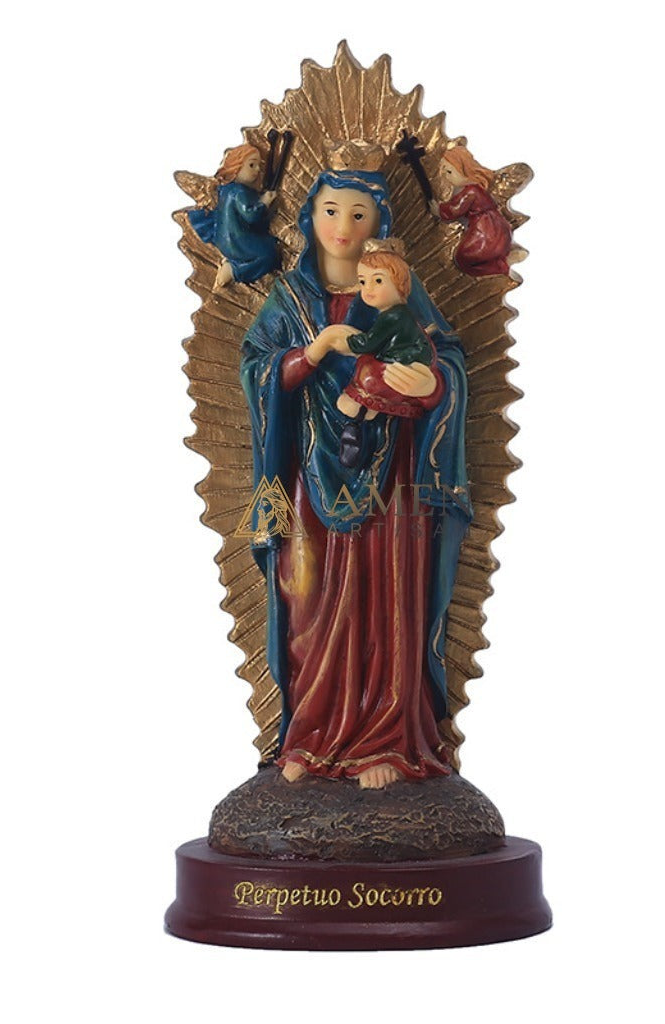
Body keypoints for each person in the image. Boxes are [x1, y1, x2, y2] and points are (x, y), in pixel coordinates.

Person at [240, 155, 473, 789]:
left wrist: (432, 385)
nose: (343, 227)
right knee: (306, 597)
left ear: (380, 224)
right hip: (309, 469)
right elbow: (256, 370)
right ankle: (308, 734)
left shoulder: (400, 296)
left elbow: (447, 362)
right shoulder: (291, 301)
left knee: (385, 597)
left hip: (391, 475)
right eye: (330, 210)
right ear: (308, 216)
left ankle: (387, 742)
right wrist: (313, 351)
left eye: (359, 213)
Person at [327, 238, 438, 469]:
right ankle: (361, 416)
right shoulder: (395, 314)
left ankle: (360, 413)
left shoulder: (393, 315)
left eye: (377, 281)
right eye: (362, 281)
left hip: (403, 362)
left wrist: (349, 342)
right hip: (399, 359)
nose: (368, 289)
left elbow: (369, 342)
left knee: (367, 371)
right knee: (368, 368)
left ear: (399, 283)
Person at [187, 144, 280, 288]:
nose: (257, 170)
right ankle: (235, 271)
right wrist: (265, 202)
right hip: (236, 240)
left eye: (259, 166)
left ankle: (234, 261)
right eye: (251, 165)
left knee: (268, 243)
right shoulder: (239, 192)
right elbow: (251, 215)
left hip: (225, 239)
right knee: (268, 255)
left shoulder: (226, 189)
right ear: (236, 167)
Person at [429, 146, 512, 277]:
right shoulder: (474, 189)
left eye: (449, 171)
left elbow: (455, 209)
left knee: (465, 255)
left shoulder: (471, 191)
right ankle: (500, 261)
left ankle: (498, 268)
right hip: (499, 229)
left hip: (486, 230)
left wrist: (439, 210)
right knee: (486, 252)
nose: (446, 176)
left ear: (464, 171)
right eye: (443, 171)